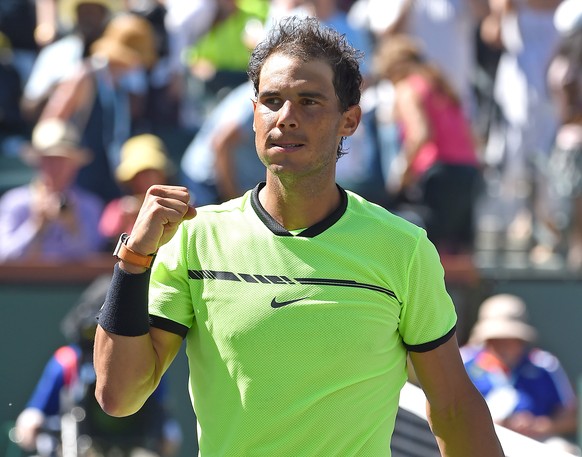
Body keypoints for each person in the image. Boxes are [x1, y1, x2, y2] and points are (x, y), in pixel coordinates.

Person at [93, 17, 504, 456]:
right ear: (254, 115)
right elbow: (119, 396)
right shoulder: (196, 238)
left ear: (349, 120)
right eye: (271, 100)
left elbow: (454, 408)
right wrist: (134, 259)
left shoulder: (403, 249)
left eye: (309, 101)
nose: (286, 117)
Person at [13, 274, 182, 457]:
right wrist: (31, 425)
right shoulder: (67, 361)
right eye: (96, 332)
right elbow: (31, 420)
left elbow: (168, 431)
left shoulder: (149, 363)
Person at [373, 34, 482, 254]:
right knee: (457, 249)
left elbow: (421, 133)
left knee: (427, 247)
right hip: (467, 170)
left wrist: (402, 174)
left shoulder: (408, 88)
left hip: (439, 174)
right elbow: (470, 134)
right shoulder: (440, 85)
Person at [462, 293, 580, 454]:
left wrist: (540, 425)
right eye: (495, 339)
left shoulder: (545, 364)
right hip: (476, 442)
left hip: (535, 443)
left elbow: (571, 417)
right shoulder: (462, 363)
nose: (502, 345)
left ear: (521, 339)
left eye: (509, 338)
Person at [0, 118, 104, 262]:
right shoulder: (15, 202)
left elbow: (95, 259)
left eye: (62, 160)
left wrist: (72, 227)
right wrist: (35, 225)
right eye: (49, 160)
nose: (55, 167)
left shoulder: (90, 206)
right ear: (37, 162)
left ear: (74, 165)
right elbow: (5, 257)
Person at [99, 133, 175, 249]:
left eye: (152, 172)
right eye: (141, 174)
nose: (148, 179)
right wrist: (124, 221)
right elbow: (104, 248)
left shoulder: (179, 206)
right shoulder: (117, 209)